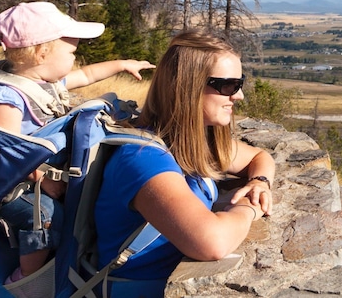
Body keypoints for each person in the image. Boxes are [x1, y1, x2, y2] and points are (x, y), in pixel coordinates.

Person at [0, 1, 155, 283]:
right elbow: (7, 152)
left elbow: (87, 75)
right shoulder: (7, 97)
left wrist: (122, 65)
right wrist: (42, 179)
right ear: (42, 52)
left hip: (39, 175)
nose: (76, 58)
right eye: (72, 52)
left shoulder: (44, 84)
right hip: (13, 187)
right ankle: (24, 280)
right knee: (45, 216)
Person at [94, 29, 274, 290]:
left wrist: (259, 182)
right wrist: (250, 207)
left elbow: (259, 156)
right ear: (188, 87)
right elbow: (213, 243)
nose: (238, 96)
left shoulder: (188, 142)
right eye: (228, 86)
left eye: (240, 83)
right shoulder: (143, 159)